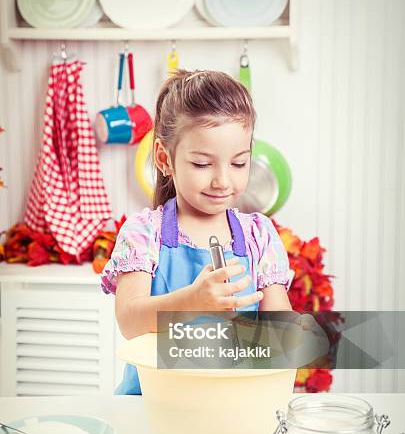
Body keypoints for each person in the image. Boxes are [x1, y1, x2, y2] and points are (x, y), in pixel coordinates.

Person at [101, 69, 298, 395]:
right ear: (165, 159)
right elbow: (129, 322)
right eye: (203, 164)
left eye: (238, 164)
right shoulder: (143, 234)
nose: (223, 181)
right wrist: (193, 302)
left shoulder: (259, 236)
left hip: (232, 404)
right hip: (150, 406)